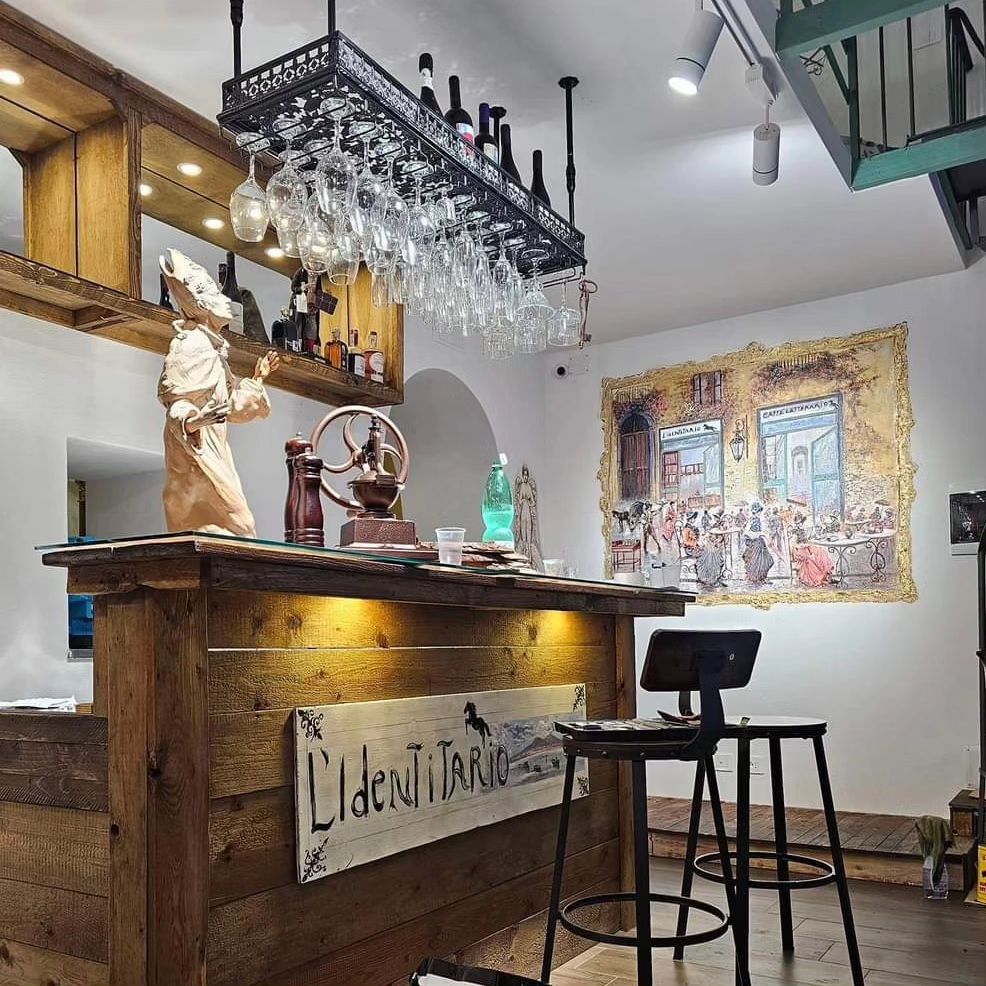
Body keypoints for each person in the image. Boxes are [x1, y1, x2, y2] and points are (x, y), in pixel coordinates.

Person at [157, 248, 279, 537]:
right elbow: (177, 406)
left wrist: (257, 378)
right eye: (210, 291)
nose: (222, 298)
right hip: (195, 454)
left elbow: (230, 407)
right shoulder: (190, 345)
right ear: (201, 304)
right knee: (240, 526)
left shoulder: (212, 349)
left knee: (237, 529)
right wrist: (195, 421)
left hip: (214, 450)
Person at [742, 501, 774, 585]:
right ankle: (759, 577)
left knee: (767, 560)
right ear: (755, 511)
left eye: (760, 511)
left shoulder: (757, 519)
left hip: (759, 542)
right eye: (759, 511)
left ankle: (762, 577)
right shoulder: (752, 520)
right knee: (760, 561)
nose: (760, 513)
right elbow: (747, 533)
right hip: (755, 543)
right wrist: (759, 534)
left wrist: (764, 535)